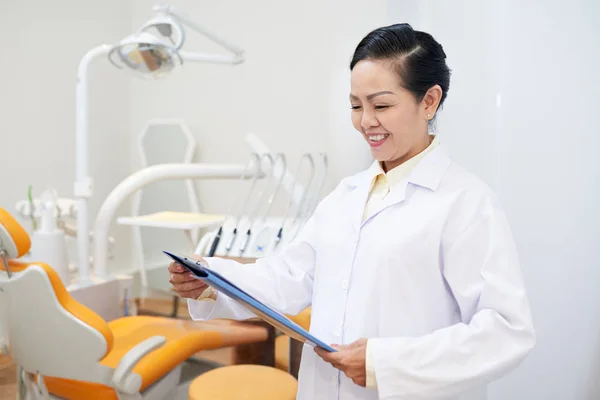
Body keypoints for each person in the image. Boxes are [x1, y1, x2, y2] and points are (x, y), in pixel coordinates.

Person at [168, 23, 535, 400]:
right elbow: (289, 276)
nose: (365, 121)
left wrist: (384, 362)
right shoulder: (346, 196)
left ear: (429, 101)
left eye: (382, 105)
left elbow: (505, 332)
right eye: (356, 105)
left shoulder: (465, 203)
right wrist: (210, 280)